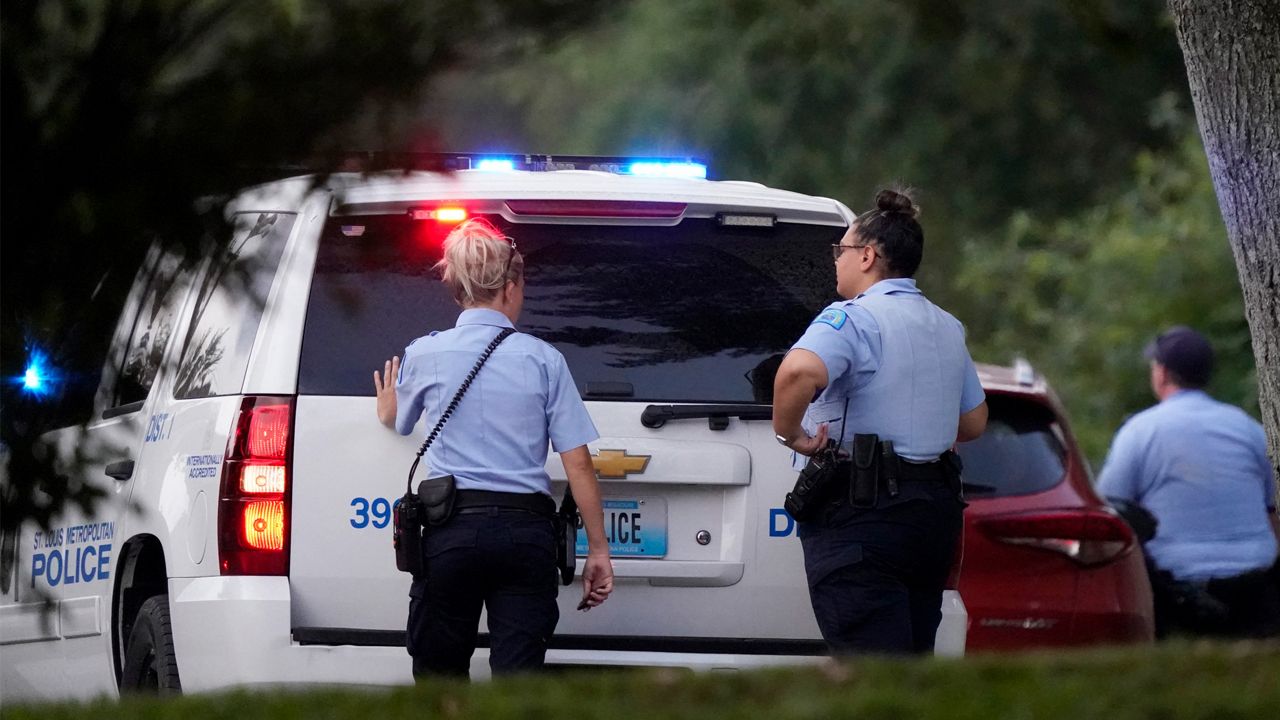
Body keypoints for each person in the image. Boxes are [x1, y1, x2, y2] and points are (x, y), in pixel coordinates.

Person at [372, 218, 614, 677]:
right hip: (526, 537)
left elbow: (399, 422)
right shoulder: (545, 359)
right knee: (518, 684)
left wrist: (387, 408)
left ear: (459, 291)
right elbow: (578, 463)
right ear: (510, 287)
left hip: (449, 533)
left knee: (439, 674)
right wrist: (598, 551)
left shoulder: (425, 353)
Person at [771, 188, 988, 655]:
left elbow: (796, 372)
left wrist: (792, 434)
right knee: (910, 664)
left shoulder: (853, 319)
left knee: (869, 671)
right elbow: (973, 422)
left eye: (841, 250)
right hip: (932, 514)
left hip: (863, 512)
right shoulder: (947, 325)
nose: (836, 261)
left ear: (867, 255)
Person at [1097, 325, 1280, 638]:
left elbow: (1109, 514)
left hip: (1179, 597)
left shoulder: (1140, 432)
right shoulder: (1247, 429)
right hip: (1258, 592)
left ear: (1162, 373)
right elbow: (1272, 515)